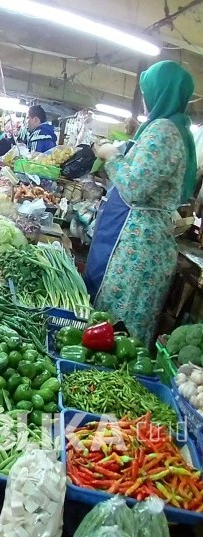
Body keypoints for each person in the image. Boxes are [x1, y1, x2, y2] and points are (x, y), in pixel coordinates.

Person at [85, 60, 197, 343]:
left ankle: (108, 380)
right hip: (141, 239)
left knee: (118, 329)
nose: (145, 100)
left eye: (148, 92)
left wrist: (111, 156)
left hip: (137, 245)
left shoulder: (164, 130)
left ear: (161, 92)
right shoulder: (173, 129)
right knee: (114, 328)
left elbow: (135, 186)